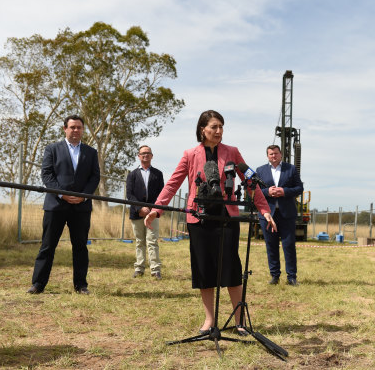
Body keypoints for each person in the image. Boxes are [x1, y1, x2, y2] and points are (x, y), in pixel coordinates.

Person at [144, 110, 276, 336]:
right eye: (214, 127)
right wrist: (157, 209)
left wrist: (264, 210)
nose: (218, 131)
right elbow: (172, 184)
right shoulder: (190, 154)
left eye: (221, 127)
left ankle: (239, 321)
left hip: (227, 218)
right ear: (202, 129)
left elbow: (251, 183)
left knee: (231, 270)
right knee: (204, 270)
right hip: (199, 219)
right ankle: (209, 320)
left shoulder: (232, 152)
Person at [27, 115, 100, 295]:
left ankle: (81, 285)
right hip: (56, 206)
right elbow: (47, 174)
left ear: (83, 130)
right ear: (64, 128)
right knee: (48, 245)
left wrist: (83, 197)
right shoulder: (52, 149)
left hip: (81, 207)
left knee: (80, 247)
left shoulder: (91, 152)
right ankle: (38, 284)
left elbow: (94, 177)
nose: (76, 130)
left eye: (79, 127)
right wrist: (62, 194)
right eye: (72, 127)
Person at [256, 145, 304, 286]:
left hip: (286, 214)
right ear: (267, 156)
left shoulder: (291, 169)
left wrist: (284, 191)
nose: (273, 156)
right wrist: (267, 192)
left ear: (281, 154)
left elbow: (299, 188)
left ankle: (292, 277)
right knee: (271, 245)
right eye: (270, 154)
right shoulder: (260, 170)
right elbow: (255, 190)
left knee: (289, 245)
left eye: (276, 153)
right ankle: (275, 276)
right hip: (267, 215)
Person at [126, 145, 164, 280]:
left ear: (152, 156)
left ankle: (155, 270)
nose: (145, 155)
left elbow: (161, 195)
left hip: (153, 214)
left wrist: (153, 210)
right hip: (136, 214)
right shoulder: (132, 175)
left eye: (148, 153)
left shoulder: (158, 174)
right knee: (140, 241)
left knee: (152, 241)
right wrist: (139, 208)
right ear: (139, 156)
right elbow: (129, 195)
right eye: (143, 153)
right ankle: (139, 268)